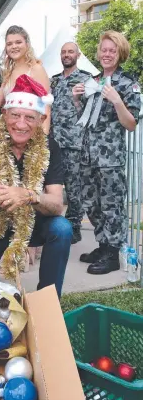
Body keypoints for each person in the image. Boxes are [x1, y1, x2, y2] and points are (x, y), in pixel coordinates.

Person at [0, 75, 72, 299]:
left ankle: (48, 301)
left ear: (41, 119)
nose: (21, 125)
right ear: (4, 114)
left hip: (34, 222)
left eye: (29, 118)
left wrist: (28, 195)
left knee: (62, 228)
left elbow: (57, 204)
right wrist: (4, 197)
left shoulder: (50, 147)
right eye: (15, 116)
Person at [72, 31, 141, 274]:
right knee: (91, 202)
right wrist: (77, 101)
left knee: (111, 205)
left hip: (110, 157)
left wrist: (117, 101)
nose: (107, 54)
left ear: (120, 53)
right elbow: (86, 119)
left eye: (112, 50)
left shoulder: (127, 83)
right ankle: (103, 245)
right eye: (104, 49)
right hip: (88, 155)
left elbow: (131, 123)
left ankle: (113, 253)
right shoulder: (94, 81)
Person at [50, 42, 91, 244]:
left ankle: (74, 227)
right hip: (53, 142)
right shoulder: (54, 81)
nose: (67, 55)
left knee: (74, 189)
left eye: (70, 52)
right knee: (51, 185)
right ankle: (52, 224)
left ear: (78, 55)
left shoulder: (86, 80)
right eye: (64, 52)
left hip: (74, 143)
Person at [0, 26, 50, 132]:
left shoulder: (36, 69)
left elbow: (46, 107)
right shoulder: (9, 73)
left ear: (27, 44)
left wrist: (43, 139)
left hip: (29, 132)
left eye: (18, 42)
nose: (14, 46)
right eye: (9, 44)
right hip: (9, 132)